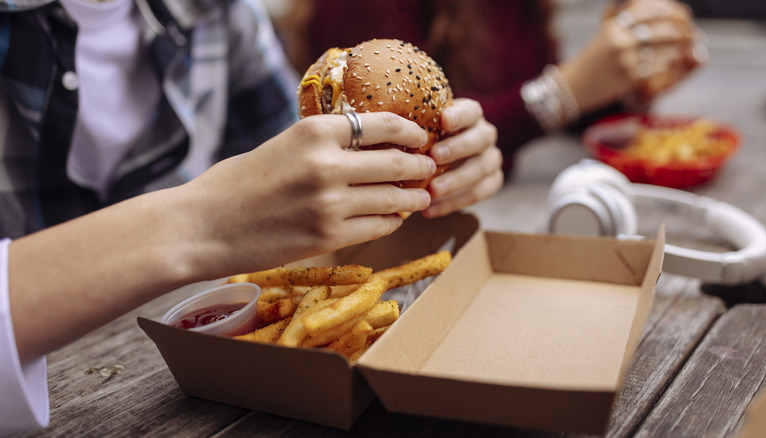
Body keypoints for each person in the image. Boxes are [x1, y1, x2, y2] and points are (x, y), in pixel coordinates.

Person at [0, 0, 502, 434]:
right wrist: (199, 222)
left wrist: (427, 171)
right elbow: (242, 204)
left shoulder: (224, 10)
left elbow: (299, 174)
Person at [284, 0, 705, 176]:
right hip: (404, 241)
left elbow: (537, 89)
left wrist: (625, 78)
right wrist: (561, 93)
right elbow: (398, 142)